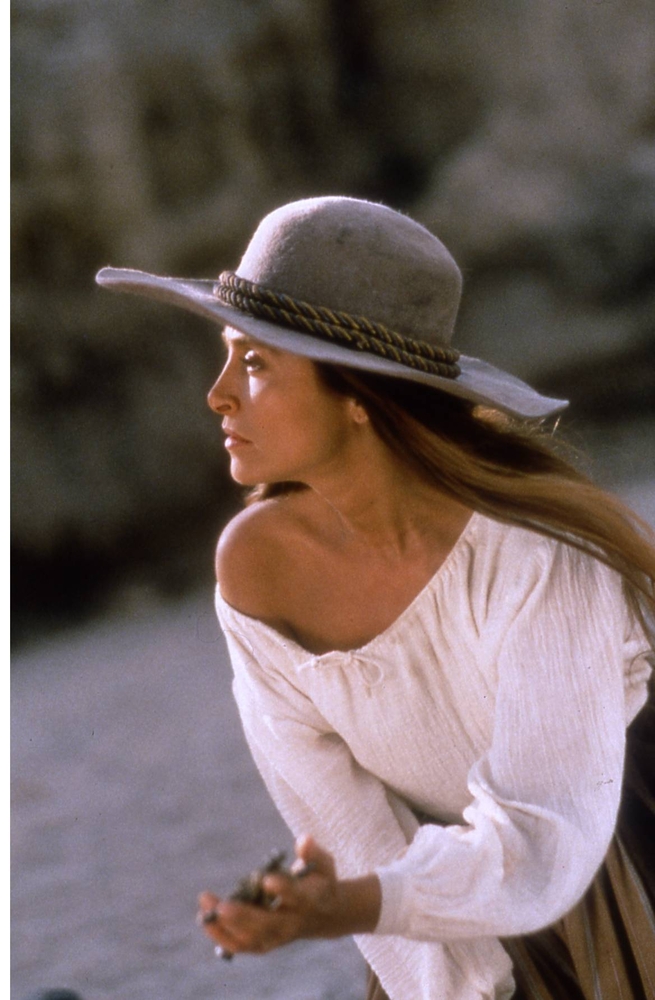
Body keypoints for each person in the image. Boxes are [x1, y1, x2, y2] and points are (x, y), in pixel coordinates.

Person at [96, 196, 654, 1000]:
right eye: (227, 359)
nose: (217, 395)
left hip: (617, 862)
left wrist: (349, 906)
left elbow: (543, 834)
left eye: (255, 365)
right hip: (434, 907)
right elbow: (340, 821)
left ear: (359, 397)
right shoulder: (258, 567)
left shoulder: (539, 556)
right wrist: (437, 973)